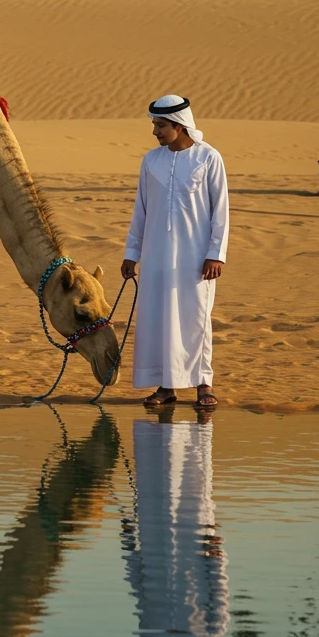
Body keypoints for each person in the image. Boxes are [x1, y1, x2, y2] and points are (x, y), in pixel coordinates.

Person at [120, 94, 229, 409]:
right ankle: (166, 387)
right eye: (155, 124)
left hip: (195, 257)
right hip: (155, 255)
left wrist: (216, 253)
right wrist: (132, 252)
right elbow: (141, 210)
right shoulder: (151, 161)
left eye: (161, 125)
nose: (155, 131)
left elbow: (220, 211)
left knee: (196, 318)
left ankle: (203, 385)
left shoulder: (208, 158)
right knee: (158, 318)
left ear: (179, 126)